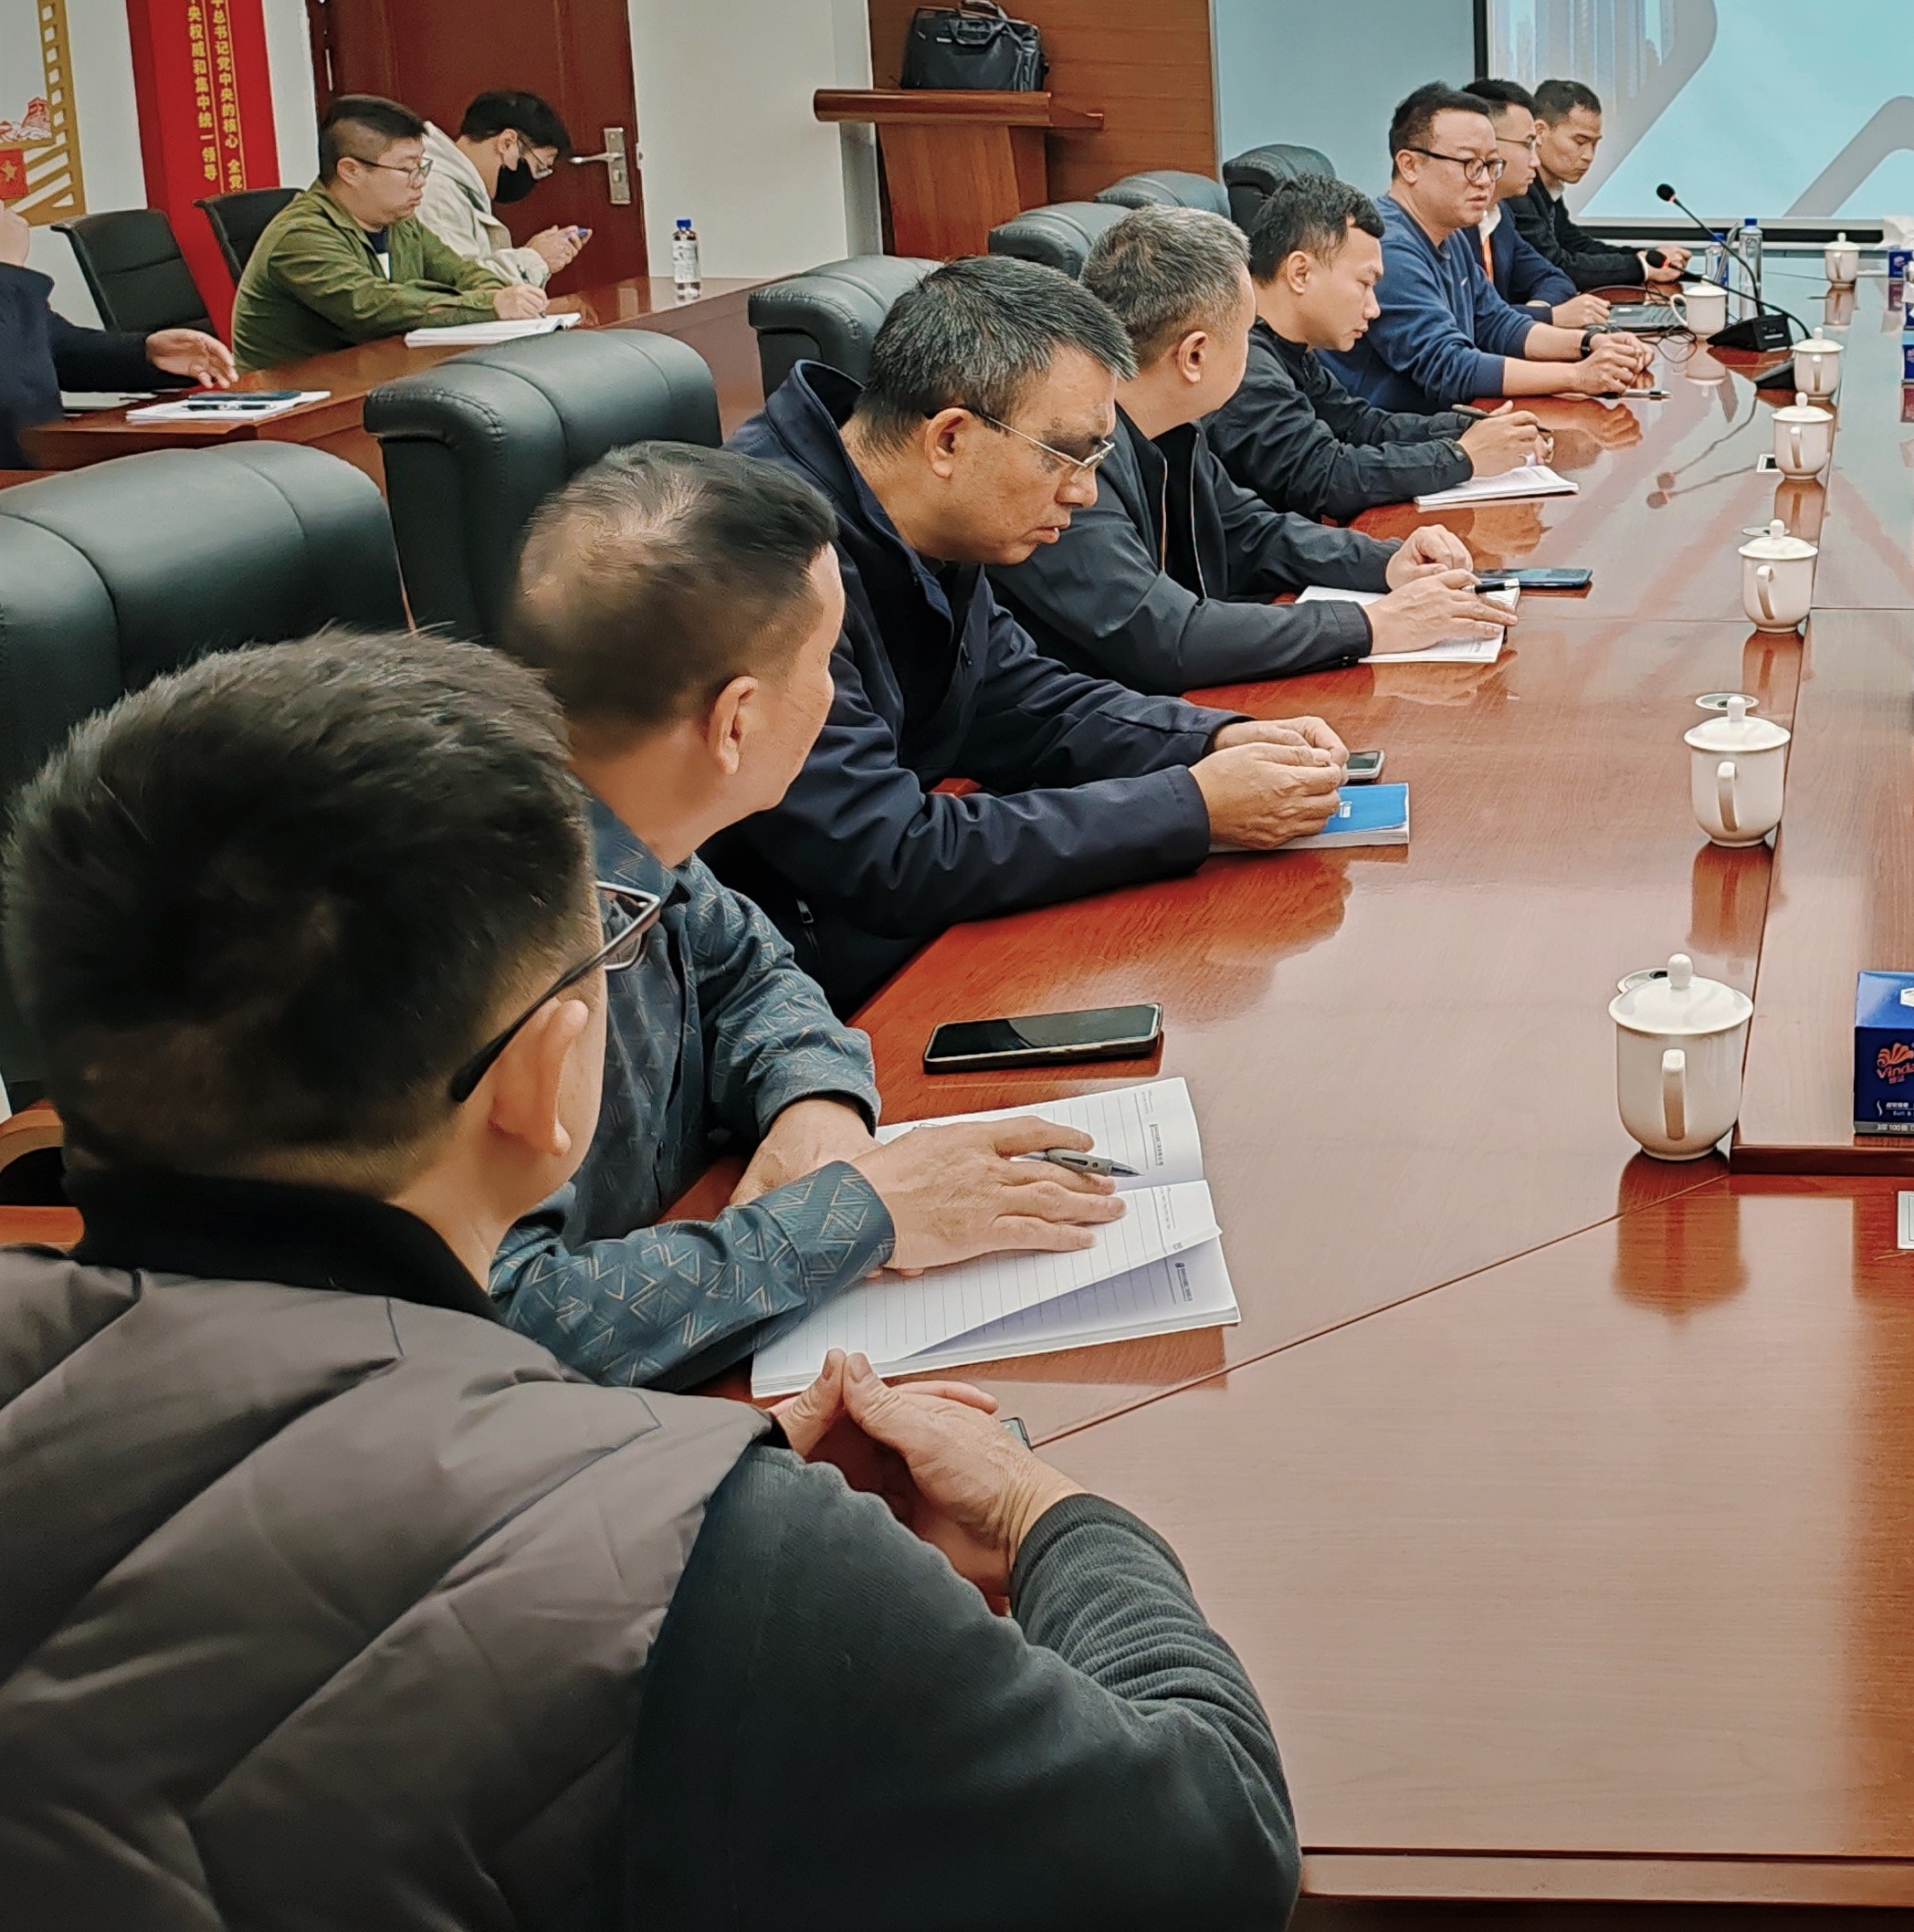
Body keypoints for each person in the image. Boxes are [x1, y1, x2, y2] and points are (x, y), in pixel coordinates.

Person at [0, 633, 1301, 1919]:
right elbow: (1211, 1851)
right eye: (611, 954)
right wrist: (1043, 1516)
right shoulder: (727, 1572)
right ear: (542, 1078)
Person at [493, 443, 1130, 1386]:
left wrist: (813, 1101)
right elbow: (504, 1323)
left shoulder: (628, 829)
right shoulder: (486, 935)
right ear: (736, 722)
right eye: (825, 661)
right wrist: (858, 1215)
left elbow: (752, 970)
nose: (837, 694)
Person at [720, 257, 1352, 1011]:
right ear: (949, 439)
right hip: (800, 991)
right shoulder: (764, 553)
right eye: (1066, 456)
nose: (1084, 492)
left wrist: (1211, 740)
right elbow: (887, 855)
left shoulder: (926, 512)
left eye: (1096, 457)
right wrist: (1191, 806)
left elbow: (1021, 700)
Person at [1001, 206, 1504, 692]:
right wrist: (1370, 625)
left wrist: (1386, 562)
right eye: (1246, 333)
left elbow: (1250, 532)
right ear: (1195, 355)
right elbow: (1166, 637)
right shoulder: (1068, 462)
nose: (1254, 348)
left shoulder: (1172, 427)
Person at [1211, 173, 1550, 520]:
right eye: (1364, 283)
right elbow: (1325, 476)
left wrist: (1470, 428)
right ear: (1300, 273)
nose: (1374, 309)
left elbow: (1360, 426)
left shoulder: (1290, 349)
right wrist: (1462, 457)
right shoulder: (1242, 365)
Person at [1327, 85, 1653, 415]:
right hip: (1394, 433)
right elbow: (1450, 367)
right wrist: (1578, 376)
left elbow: (1496, 323)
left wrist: (1592, 343)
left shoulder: (1450, 234)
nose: (1485, 180)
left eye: (1491, 164)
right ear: (1410, 165)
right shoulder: (1387, 247)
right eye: (1470, 163)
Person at [229, 93, 552, 369]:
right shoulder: (302, 237)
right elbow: (373, 307)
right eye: (407, 168)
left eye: (422, 166)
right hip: (300, 400)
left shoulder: (399, 223)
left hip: (380, 379)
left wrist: (499, 295)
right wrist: (489, 304)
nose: (420, 181)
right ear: (351, 171)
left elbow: (461, 273)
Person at [0, 196, 231, 465]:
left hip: (50, 469)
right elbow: (14, 389)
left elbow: (60, 349)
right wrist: (7, 271)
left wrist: (145, 352)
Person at [1519, 75, 1685, 287]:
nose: (1589, 156)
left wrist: (1648, 258)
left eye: (1594, 144)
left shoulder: (1549, 188)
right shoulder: (1518, 191)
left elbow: (1577, 245)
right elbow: (1556, 265)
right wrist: (1641, 266)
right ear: (1540, 132)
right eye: (1580, 141)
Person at [417, 86, 591, 287]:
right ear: (507, 143)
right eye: (539, 167)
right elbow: (461, 287)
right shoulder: (437, 192)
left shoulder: (460, 188)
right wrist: (534, 259)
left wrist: (533, 257)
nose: (534, 180)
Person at [1469, 77, 1610, 324]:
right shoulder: (1450, 225)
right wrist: (1546, 316)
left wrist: (1536, 314)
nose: (1535, 160)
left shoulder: (1500, 217)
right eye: (1527, 145)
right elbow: (1470, 318)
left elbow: (1555, 278)